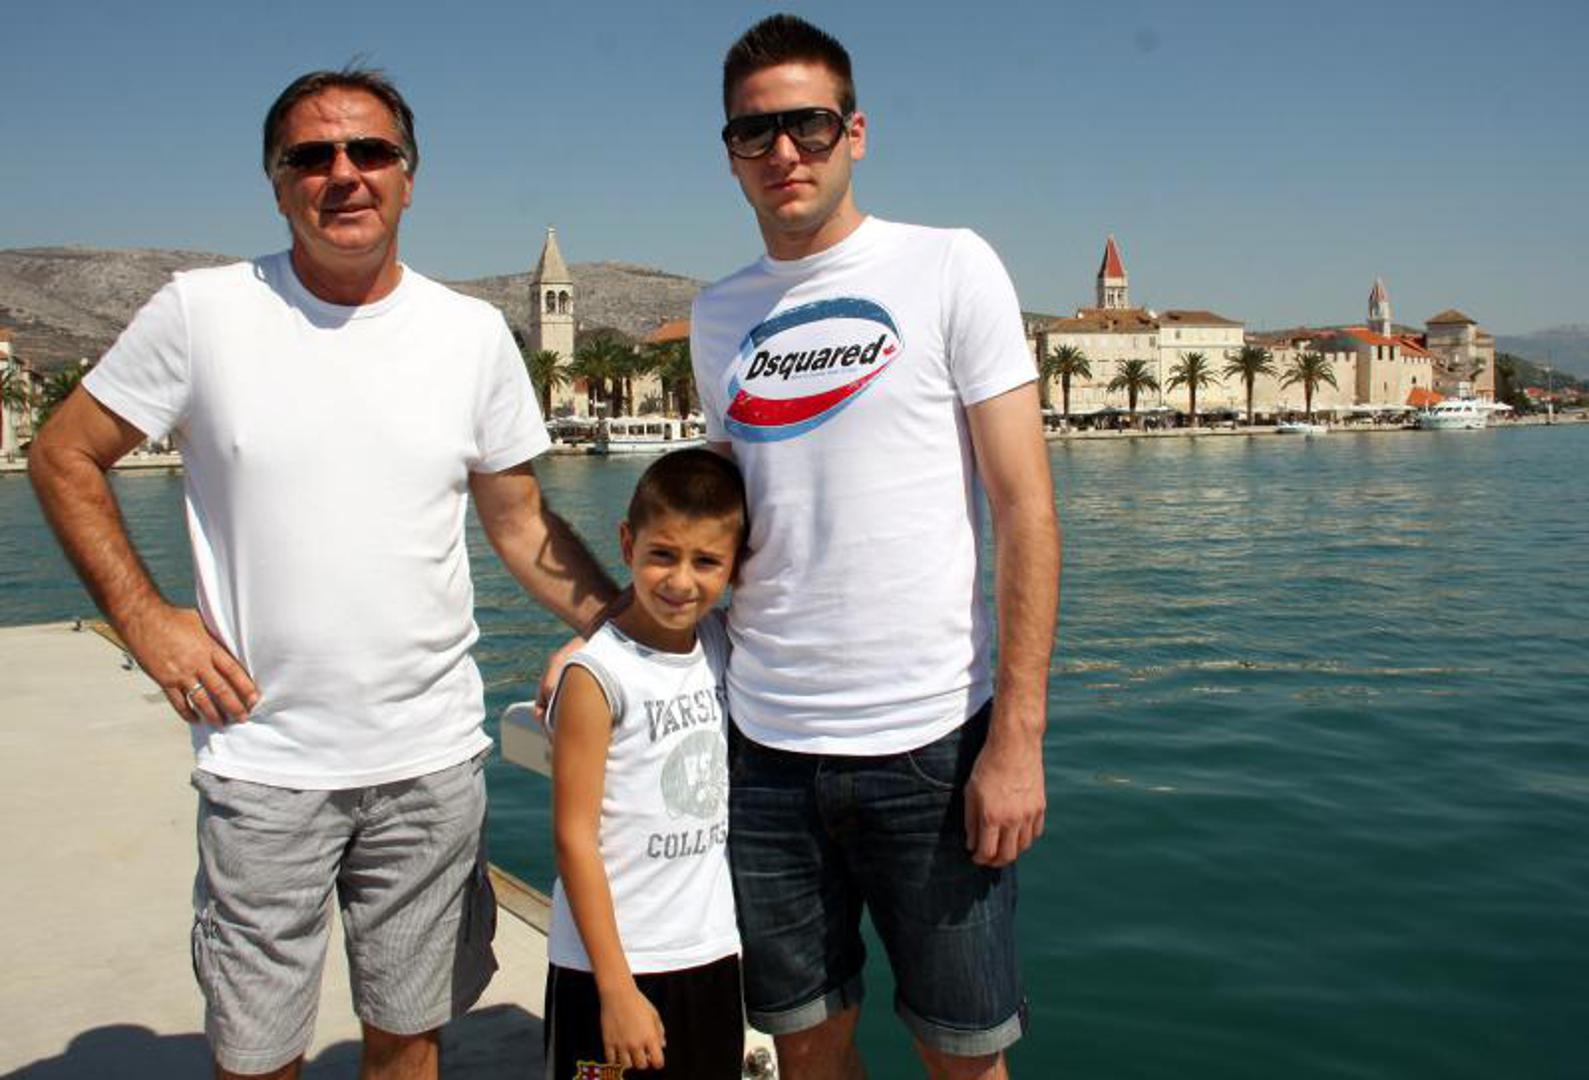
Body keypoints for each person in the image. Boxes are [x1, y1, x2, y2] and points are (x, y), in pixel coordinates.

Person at [27, 68, 617, 1080]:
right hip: (263, 763)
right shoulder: (201, 313)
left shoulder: (470, 335)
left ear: (408, 177)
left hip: (430, 765)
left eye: (370, 151)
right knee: (257, 1053)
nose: (344, 173)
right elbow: (62, 453)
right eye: (312, 156)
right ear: (277, 183)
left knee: (409, 1039)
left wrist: (631, 630)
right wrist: (146, 617)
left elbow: (520, 526)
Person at [692, 15, 1062, 1079]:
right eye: (754, 132)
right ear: (730, 153)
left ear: (854, 132)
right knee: (806, 1049)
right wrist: (616, 646)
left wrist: (1016, 740)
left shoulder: (949, 266)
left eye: (808, 125)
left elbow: (1024, 510)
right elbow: (716, 524)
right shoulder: (717, 315)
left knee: (964, 1057)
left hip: (931, 746)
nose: (783, 151)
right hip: (762, 751)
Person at [543, 448, 747, 1078]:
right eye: (662, 554)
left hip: (709, 954)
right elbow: (574, 838)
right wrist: (616, 989)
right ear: (627, 544)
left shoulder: (719, 643)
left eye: (706, 562)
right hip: (608, 970)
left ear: (734, 566)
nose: (681, 582)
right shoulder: (596, 677)